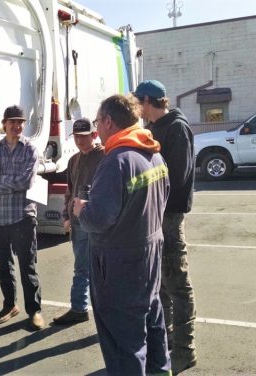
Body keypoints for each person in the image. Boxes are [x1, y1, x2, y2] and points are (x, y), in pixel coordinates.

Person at [73, 94, 171, 375]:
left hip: (119, 266)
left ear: (107, 121)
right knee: (153, 328)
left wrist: (81, 210)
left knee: (123, 345)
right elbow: (163, 198)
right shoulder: (153, 152)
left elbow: (99, 219)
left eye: (97, 122)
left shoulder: (117, 160)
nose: (97, 128)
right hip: (149, 258)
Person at [134, 80, 197, 374]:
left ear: (150, 101)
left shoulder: (176, 128)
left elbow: (178, 178)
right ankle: (168, 342)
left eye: (139, 102)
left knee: (178, 284)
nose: (136, 108)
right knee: (160, 285)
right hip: (156, 216)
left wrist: (153, 201)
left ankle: (185, 351)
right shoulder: (154, 129)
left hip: (169, 217)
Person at [0, 105, 44, 331]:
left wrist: (2, 182)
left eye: (21, 122)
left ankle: (35, 311)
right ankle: (10, 306)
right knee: (3, 266)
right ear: (4, 123)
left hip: (23, 216)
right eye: (13, 122)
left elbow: (26, 182)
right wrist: (10, 182)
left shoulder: (30, 149)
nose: (17, 126)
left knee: (28, 266)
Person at [53, 118, 105, 325]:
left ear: (94, 135)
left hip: (98, 223)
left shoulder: (105, 156)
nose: (80, 140)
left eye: (84, 136)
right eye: (76, 137)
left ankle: (106, 313)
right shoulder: (73, 160)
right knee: (81, 268)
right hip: (78, 224)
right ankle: (79, 308)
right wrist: (66, 217)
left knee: (103, 270)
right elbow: (69, 190)